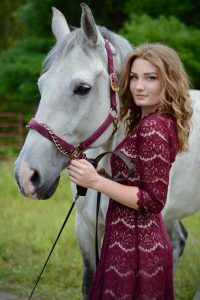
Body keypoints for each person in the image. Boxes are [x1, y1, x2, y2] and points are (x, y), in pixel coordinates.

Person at [68, 43, 192, 300]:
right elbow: (138, 181)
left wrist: (97, 183)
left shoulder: (154, 129)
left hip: (138, 251)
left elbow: (153, 200)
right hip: (127, 243)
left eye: (150, 78)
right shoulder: (148, 122)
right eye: (134, 77)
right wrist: (102, 176)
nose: (138, 86)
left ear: (168, 81)